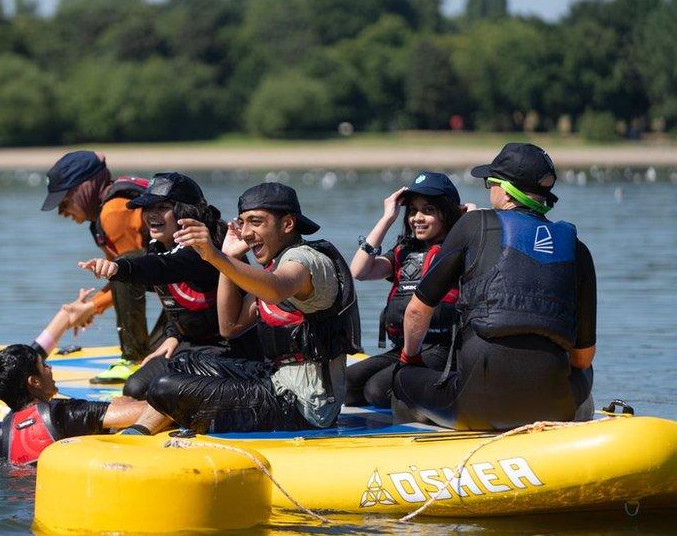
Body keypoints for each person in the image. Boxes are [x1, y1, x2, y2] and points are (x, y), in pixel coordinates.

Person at [122, 182, 362, 434]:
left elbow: (277, 288)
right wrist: (230, 256)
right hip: (276, 381)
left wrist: (215, 257)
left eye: (256, 222)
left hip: (306, 407)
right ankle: (142, 430)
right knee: (181, 364)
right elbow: (230, 326)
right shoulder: (273, 266)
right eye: (243, 222)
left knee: (165, 386)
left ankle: (140, 430)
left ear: (288, 224)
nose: (246, 233)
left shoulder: (307, 261)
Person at [392, 143, 597, 430]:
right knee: (584, 373)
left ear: (505, 188)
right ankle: (570, 433)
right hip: (554, 403)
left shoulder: (474, 224)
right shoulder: (578, 249)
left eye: (490, 183)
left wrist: (410, 358)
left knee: (402, 377)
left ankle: (422, 450)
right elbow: (583, 357)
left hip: (475, 404)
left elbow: (416, 311)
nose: (489, 190)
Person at [77, 173, 261, 400]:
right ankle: (136, 356)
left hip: (230, 352)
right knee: (134, 388)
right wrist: (173, 335)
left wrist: (118, 268)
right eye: (148, 208)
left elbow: (165, 267)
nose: (152, 215)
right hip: (191, 343)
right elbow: (171, 294)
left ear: (186, 213)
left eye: (162, 207)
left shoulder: (205, 250)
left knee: (163, 389)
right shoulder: (158, 247)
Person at [344, 172, 465, 408]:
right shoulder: (404, 252)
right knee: (346, 385)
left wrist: (472, 217)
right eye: (412, 210)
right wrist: (388, 217)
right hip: (405, 348)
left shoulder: (459, 250)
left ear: (448, 213)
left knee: (377, 390)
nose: (417, 218)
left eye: (428, 210)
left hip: (442, 349)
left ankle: (450, 391)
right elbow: (359, 271)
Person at [41, 150, 163, 383]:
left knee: (150, 362)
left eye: (64, 201)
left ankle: (133, 358)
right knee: (156, 360)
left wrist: (92, 307)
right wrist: (91, 307)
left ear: (83, 188)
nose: (61, 212)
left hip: (200, 284)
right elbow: (128, 277)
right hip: (188, 281)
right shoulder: (105, 214)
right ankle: (142, 358)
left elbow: (129, 273)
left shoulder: (114, 211)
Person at [0, 344, 155, 465]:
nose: (49, 368)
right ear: (34, 381)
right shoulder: (62, 413)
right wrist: (125, 401)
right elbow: (145, 411)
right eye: (43, 365)